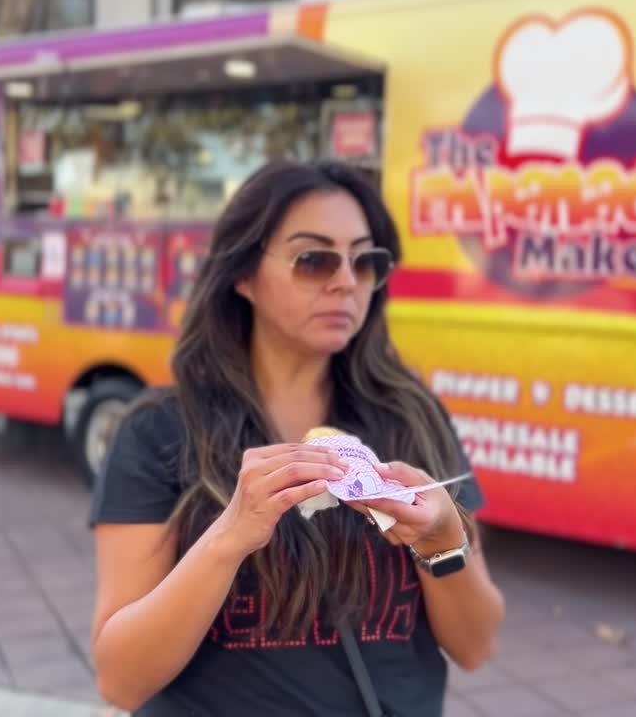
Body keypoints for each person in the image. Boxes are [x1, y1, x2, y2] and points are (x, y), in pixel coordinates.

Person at [89, 160, 505, 716]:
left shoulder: (412, 417)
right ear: (243, 276)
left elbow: (476, 647)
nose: (345, 281)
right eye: (314, 260)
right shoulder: (159, 432)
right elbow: (120, 680)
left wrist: (444, 543)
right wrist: (228, 538)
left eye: (365, 261)